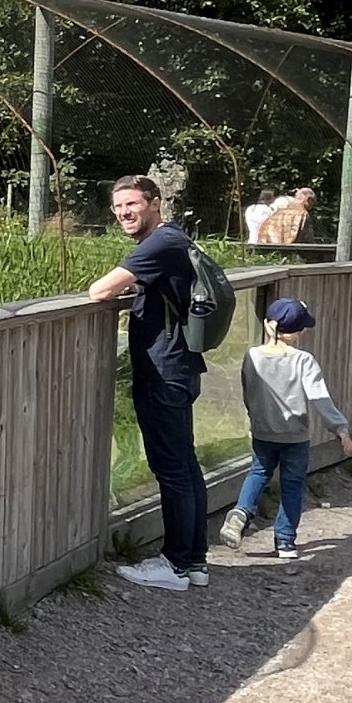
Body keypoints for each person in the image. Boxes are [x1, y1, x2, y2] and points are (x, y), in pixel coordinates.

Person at [89, 174, 208, 591]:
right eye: (118, 207)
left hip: (164, 372)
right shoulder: (173, 241)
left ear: (155, 203)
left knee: (172, 468)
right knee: (185, 465)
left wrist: (125, 283)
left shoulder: (160, 243)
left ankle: (175, 566)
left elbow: (99, 291)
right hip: (179, 367)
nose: (123, 213)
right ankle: (194, 562)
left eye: (132, 205)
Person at [223, 297, 352, 560]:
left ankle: (240, 512)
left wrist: (253, 421)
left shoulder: (252, 356)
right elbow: (320, 396)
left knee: (258, 472)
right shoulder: (304, 361)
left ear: (267, 324)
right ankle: (285, 542)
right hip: (295, 437)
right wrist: (340, 428)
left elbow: (249, 392)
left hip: (263, 432)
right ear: (300, 332)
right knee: (293, 485)